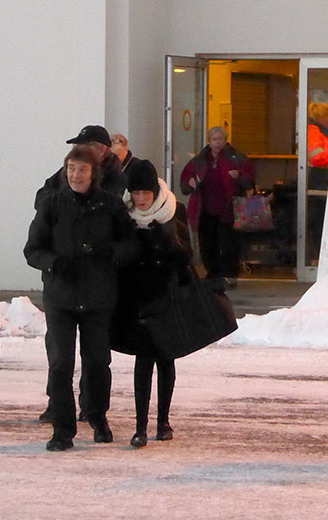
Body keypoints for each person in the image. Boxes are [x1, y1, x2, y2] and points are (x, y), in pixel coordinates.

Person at [24, 144, 136, 451]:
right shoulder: (52, 204)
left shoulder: (110, 205)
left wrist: (112, 254)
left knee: (98, 361)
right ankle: (62, 429)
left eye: (82, 169)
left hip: (99, 297)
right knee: (60, 362)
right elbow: (32, 250)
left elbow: (130, 242)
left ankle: (98, 417)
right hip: (61, 297)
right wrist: (55, 263)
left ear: (93, 173)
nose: (76, 175)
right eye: (71, 169)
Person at [111, 160, 192, 447]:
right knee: (143, 361)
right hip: (136, 297)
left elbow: (187, 258)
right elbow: (117, 255)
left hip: (166, 295)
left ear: (155, 191)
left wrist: (166, 243)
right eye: (136, 192)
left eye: (146, 192)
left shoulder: (173, 211)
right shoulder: (123, 215)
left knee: (165, 359)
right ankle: (140, 426)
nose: (141, 198)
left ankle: (164, 421)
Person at [180, 126, 254, 286]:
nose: (218, 143)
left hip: (229, 208)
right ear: (209, 141)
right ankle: (212, 275)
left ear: (226, 140)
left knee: (229, 244)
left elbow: (250, 181)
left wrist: (239, 176)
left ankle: (230, 275)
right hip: (205, 209)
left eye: (220, 139)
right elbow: (184, 186)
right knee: (207, 244)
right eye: (214, 139)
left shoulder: (237, 158)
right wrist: (190, 183)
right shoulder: (199, 160)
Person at [35, 125, 126, 205]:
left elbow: (103, 208)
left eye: (87, 146)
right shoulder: (68, 170)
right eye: (77, 146)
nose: (80, 151)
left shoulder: (115, 176)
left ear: (102, 150)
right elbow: (40, 198)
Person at [306, 102, 328, 266]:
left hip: (321, 181)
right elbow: (316, 157)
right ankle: (317, 258)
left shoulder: (321, 133)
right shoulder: (314, 133)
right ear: (321, 118)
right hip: (318, 182)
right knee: (318, 223)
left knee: (320, 222)